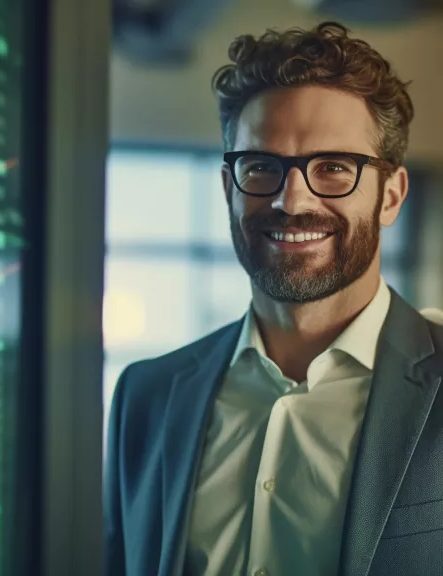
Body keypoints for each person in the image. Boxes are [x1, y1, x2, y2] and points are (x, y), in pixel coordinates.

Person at [104, 21, 443, 576]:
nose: (292, 200)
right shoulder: (146, 396)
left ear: (391, 195)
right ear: (228, 188)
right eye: (261, 166)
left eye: (334, 168)